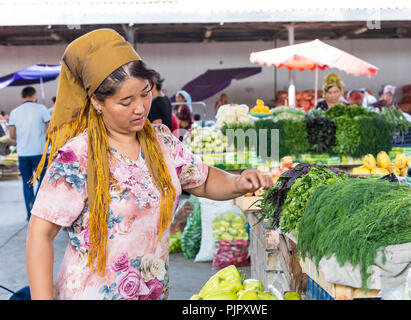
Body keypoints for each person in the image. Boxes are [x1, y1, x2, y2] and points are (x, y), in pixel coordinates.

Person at [26, 29, 272, 300]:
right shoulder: (77, 156)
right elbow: (40, 235)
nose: (140, 109)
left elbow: (201, 179)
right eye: (125, 101)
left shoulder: (162, 142)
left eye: (144, 94)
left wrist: (238, 182)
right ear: (97, 101)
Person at [8, 86, 50, 220]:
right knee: (42, 181)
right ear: (34, 95)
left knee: (27, 183)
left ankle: (29, 215)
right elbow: (49, 128)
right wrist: (44, 138)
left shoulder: (14, 112)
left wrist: (20, 138)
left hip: (23, 153)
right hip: (39, 152)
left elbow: (12, 135)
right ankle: (34, 200)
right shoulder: (42, 109)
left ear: (22, 97)